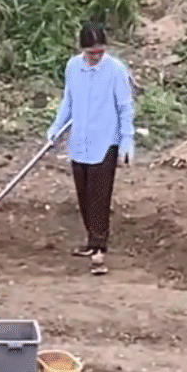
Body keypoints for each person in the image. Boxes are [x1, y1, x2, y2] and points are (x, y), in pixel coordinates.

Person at [46, 23, 134, 275]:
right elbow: (69, 100)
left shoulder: (116, 70)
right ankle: (91, 240)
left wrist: (127, 140)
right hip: (80, 141)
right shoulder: (73, 66)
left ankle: (99, 249)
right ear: (82, 50)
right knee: (83, 193)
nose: (95, 56)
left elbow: (125, 107)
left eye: (99, 52)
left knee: (99, 195)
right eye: (90, 52)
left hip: (106, 140)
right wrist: (56, 127)